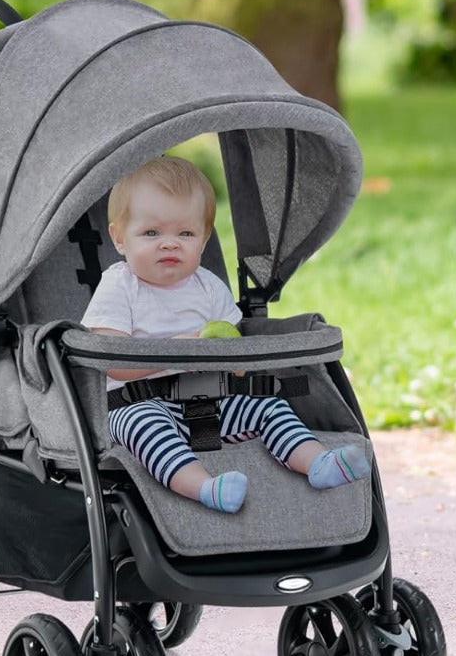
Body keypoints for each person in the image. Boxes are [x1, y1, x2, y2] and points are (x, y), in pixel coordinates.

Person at [82, 156, 371, 513]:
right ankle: (204, 486)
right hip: (140, 402)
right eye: (152, 233)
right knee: (144, 427)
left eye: (185, 234)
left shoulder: (208, 287)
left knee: (268, 406)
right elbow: (110, 361)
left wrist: (235, 366)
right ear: (119, 238)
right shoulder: (119, 286)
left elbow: (233, 345)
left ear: (203, 240)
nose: (170, 244)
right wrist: (175, 352)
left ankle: (317, 463)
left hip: (213, 402)